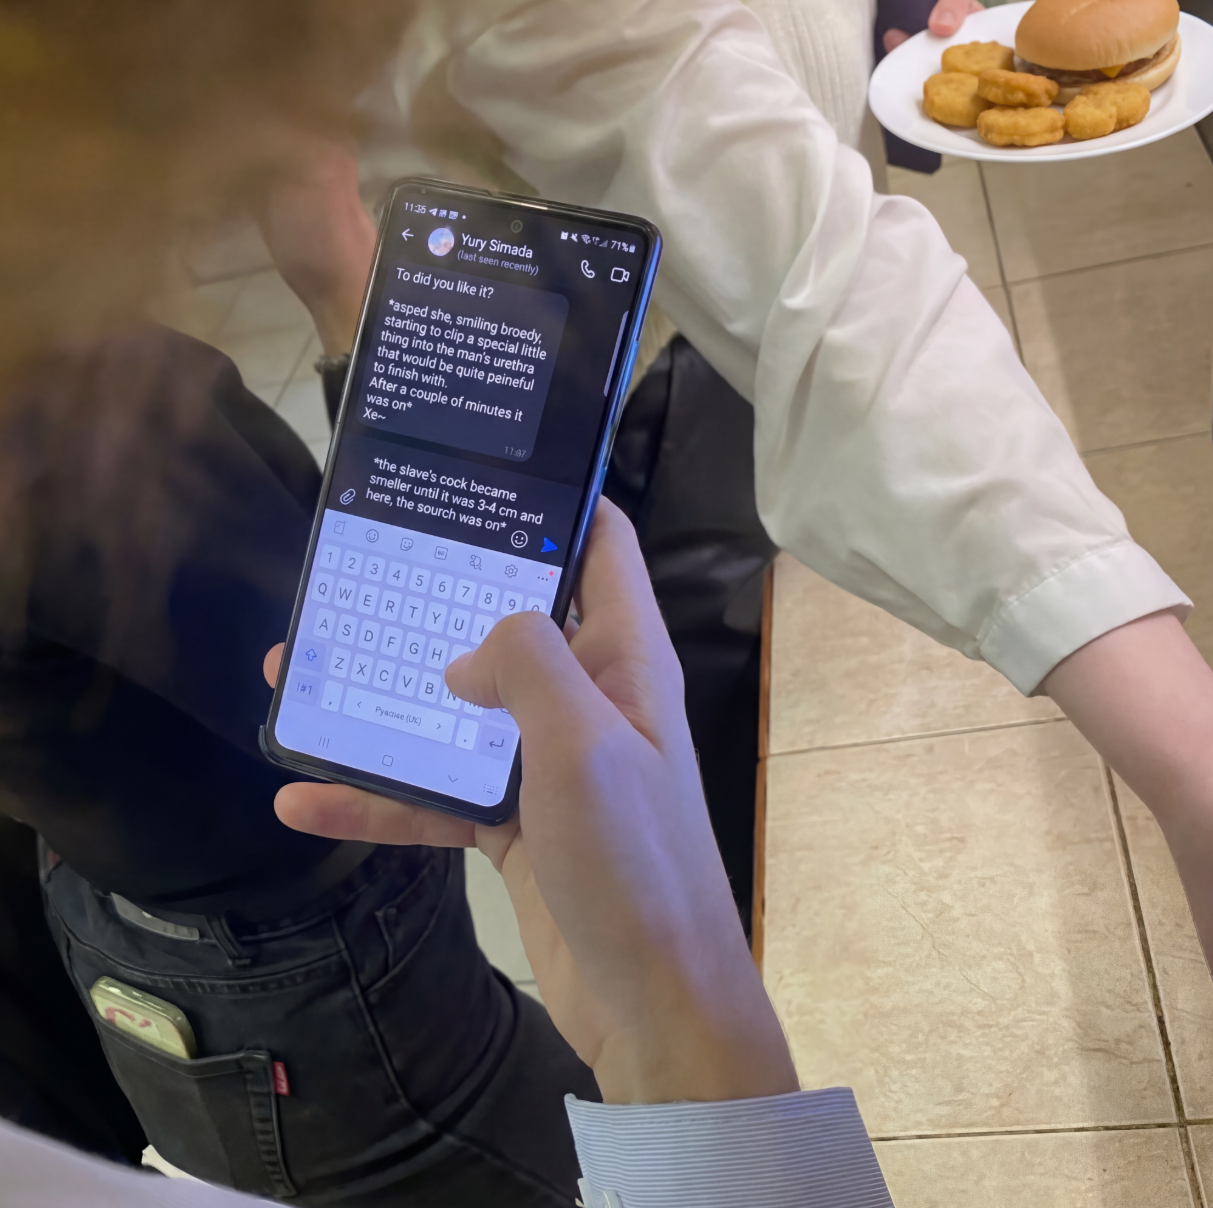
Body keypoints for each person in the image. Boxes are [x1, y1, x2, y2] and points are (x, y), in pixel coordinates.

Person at [4, 502, 896, 1208]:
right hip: (256, 927)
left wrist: (668, 1022)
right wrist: (679, 1020)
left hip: (123, 893)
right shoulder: (102, 413)